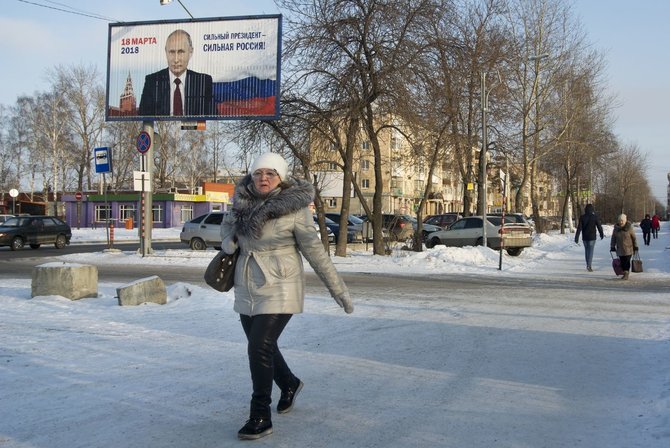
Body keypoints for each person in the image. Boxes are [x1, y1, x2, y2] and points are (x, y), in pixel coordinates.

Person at [220, 152, 354, 441]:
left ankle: (260, 415)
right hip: (247, 283)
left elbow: (314, 250)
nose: (263, 178)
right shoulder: (240, 203)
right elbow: (226, 229)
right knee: (262, 346)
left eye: (270, 174)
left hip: (282, 283)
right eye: (258, 173)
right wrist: (228, 240)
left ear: (280, 179)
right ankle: (289, 383)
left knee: (259, 346)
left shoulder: (294, 209)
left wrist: (338, 289)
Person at [138, 29, 214, 117]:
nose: (176, 59)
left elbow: (211, 118)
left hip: (192, 129)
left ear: (190, 52)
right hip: (162, 130)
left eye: (181, 52)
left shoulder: (203, 82)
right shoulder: (152, 81)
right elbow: (142, 118)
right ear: (166, 52)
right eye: (172, 52)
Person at [574, 204, 604, 271]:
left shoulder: (582, 217)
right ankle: (589, 265)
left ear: (585, 209)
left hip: (585, 237)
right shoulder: (595, 217)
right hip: (592, 237)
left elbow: (579, 228)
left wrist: (576, 237)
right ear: (592, 209)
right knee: (591, 251)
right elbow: (599, 226)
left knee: (586, 251)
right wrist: (601, 234)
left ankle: (588, 264)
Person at [610, 213, 638, 280]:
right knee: (622, 262)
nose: (621, 222)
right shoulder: (616, 229)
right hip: (620, 249)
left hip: (628, 248)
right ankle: (625, 272)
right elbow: (613, 238)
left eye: (622, 220)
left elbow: (634, 238)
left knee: (627, 261)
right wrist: (612, 246)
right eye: (619, 220)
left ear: (625, 221)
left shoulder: (629, 228)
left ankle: (626, 273)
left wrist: (635, 246)